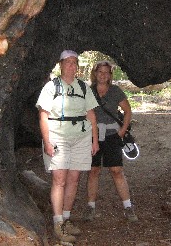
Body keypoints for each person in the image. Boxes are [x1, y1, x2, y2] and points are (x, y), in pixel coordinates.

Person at [36, 50, 100, 244]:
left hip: (81, 137)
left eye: (75, 62)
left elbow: (91, 115)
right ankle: (58, 223)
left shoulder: (83, 87)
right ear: (61, 65)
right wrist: (47, 141)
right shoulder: (51, 87)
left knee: (74, 179)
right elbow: (43, 115)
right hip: (58, 136)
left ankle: (66, 217)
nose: (72, 66)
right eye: (68, 62)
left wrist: (94, 140)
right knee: (60, 179)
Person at [83, 60, 138, 222]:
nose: (103, 75)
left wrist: (122, 131)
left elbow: (127, 111)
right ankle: (90, 206)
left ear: (110, 75)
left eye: (106, 72)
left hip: (112, 135)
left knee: (116, 170)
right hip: (93, 135)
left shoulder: (115, 91)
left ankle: (128, 207)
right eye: (100, 72)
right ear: (95, 73)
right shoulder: (88, 91)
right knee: (94, 170)